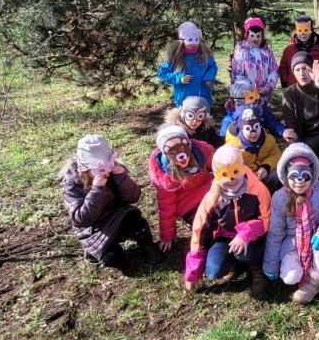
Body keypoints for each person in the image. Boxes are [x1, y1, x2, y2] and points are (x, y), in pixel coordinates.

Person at [61, 135, 162, 268]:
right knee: (113, 259)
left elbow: (133, 197)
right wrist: (96, 191)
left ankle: (147, 245)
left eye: (107, 165)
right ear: (85, 168)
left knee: (133, 215)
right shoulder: (73, 184)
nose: (104, 172)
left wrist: (122, 177)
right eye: (97, 169)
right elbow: (81, 219)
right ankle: (93, 250)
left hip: (117, 217)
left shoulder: (114, 171)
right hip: (94, 229)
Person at [184, 146, 272, 295]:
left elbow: (266, 219)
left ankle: (255, 269)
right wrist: (193, 271)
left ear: (243, 168)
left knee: (245, 252)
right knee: (213, 271)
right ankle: (234, 264)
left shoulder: (258, 189)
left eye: (235, 172)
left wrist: (245, 233)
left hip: (253, 237)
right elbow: (200, 230)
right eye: (224, 174)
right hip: (225, 236)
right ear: (216, 175)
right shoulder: (213, 196)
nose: (231, 180)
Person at [262, 144, 319, 304]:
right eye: (294, 176)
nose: (299, 182)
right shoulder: (279, 197)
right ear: (286, 174)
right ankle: (303, 270)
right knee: (290, 277)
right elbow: (276, 232)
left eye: (305, 176)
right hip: (292, 242)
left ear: (312, 173)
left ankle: (315, 283)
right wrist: (271, 264)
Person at [149, 124, 214, 252]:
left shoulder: (201, 151)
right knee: (207, 228)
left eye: (182, 147)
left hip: (210, 192)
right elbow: (166, 205)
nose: (181, 156)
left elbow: (220, 165)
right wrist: (167, 236)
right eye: (172, 151)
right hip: (188, 204)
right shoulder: (163, 172)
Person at [157, 21, 218, 106]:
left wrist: (209, 77)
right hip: (183, 101)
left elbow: (212, 66)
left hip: (203, 99)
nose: (194, 45)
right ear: (182, 40)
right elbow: (163, 73)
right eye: (190, 41)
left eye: (196, 40)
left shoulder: (204, 54)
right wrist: (179, 78)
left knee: (203, 115)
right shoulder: (175, 56)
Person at [225, 105, 283, 191]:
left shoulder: (268, 139)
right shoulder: (232, 146)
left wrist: (266, 166)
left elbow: (277, 154)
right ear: (241, 128)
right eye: (248, 129)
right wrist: (248, 175)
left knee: (280, 173)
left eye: (256, 127)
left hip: (264, 174)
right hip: (245, 180)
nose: (253, 133)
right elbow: (229, 167)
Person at [220, 80, 296, 142]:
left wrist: (283, 131)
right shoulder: (229, 120)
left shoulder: (261, 110)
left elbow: (273, 123)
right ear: (238, 102)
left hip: (262, 149)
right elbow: (224, 140)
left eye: (256, 95)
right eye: (251, 97)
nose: (256, 100)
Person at [231, 17, 279, 102]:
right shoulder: (241, 51)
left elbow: (274, 70)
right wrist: (249, 89)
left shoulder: (267, 51)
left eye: (258, 36)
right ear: (247, 34)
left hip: (265, 97)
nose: (255, 39)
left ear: (262, 35)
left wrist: (268, 87)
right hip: (247, 97)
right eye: (252, 35)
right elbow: (237, 74)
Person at [278, 15, 319, 88]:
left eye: (306, 30)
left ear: (311, 30)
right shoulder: (288, 51)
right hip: (294, 89)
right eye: (299, 30)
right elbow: (283, 68)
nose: (302, 33)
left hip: (314, 90)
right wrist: (285, 82)